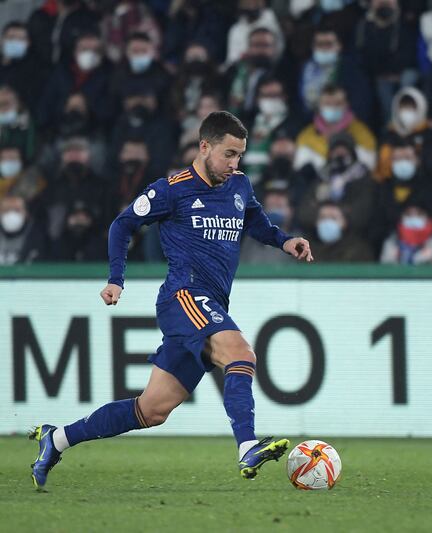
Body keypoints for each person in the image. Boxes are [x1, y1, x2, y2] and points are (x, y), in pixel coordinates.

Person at [29, 111, 314, 489]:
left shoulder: (240, 186)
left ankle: (58, 438)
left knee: (152, 410)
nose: (234, 164)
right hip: (183, 296)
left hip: (209, 304)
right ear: (204, 147)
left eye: (240, 155)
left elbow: (255, 222)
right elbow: (122, 224)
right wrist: (116, 279)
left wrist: (284, 240)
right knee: (241, 353)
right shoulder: (172, 189)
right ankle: (247, 445)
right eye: (228, 154)